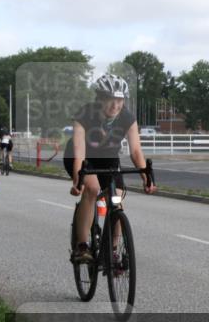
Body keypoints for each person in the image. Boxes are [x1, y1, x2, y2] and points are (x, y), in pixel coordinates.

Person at [64, 73, 156, 264]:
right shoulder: (84, 114)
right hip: (82, 158)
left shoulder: (127, 117)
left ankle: (112, 249)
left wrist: (146, 178)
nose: (115, 105)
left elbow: (136, 151)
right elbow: (79, 152)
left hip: (108, 159)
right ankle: (82, 247)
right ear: (99, 99)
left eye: (120, 100)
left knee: (117, 198)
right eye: (110, 100)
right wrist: (77, 181)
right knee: (92, 189)